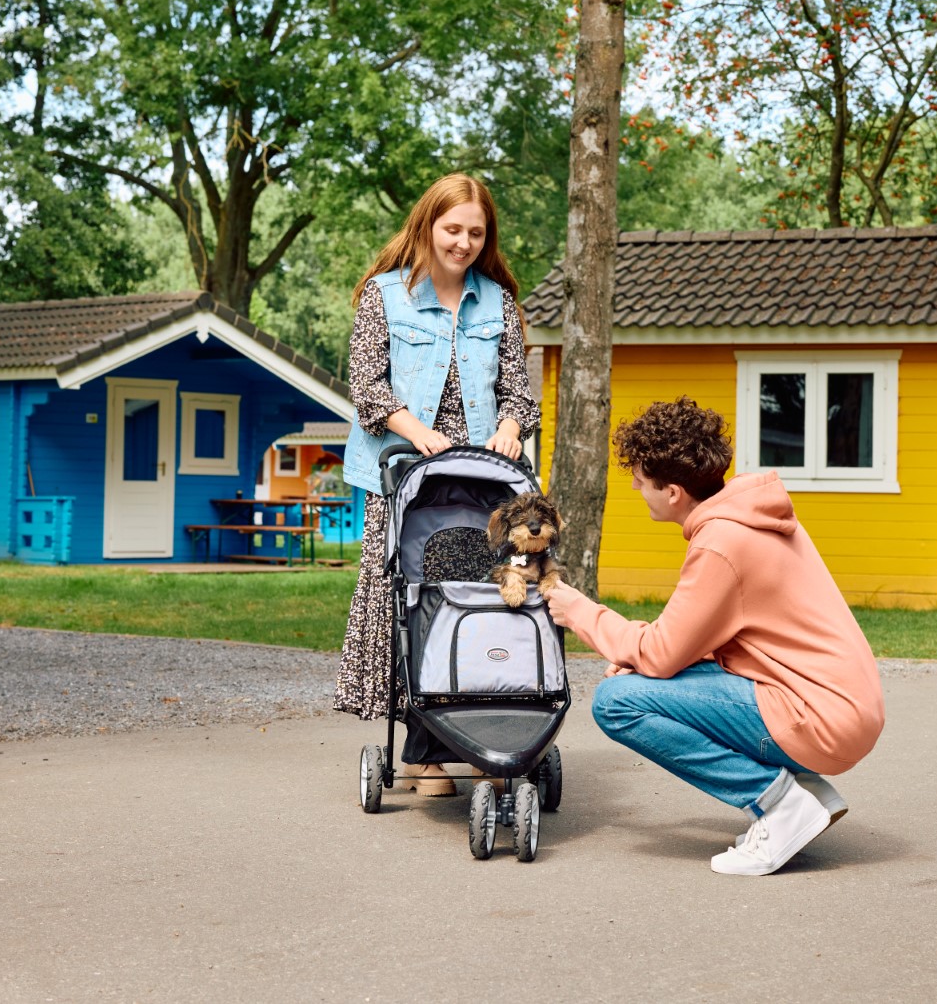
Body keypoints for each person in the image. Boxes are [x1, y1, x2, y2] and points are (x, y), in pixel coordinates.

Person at [542, 397, 885, 875]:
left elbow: (662, 654)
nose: (638, 489)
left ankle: (780, 804)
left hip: (817, 715)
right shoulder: (750, 517)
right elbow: (696, 639)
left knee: (617, 701)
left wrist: (579, 610)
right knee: (639, 680)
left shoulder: (722, 542)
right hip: (840, 704)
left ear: (675, 492)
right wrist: (645, 661)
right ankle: (805, 792)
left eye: (641, 481)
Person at [334, 173, 540, 796]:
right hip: (404, 472)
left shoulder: (498, 302)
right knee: (410, 597)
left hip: (482, 477)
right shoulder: (384, 296)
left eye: (477, 233)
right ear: (427, 226)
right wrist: (416, 433)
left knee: (480, 602)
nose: (464, 243)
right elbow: (368, 385)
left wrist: (510, 425)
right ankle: (423, 752)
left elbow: (518, 390)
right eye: (453, 229)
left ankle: (481, 735)